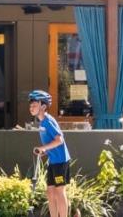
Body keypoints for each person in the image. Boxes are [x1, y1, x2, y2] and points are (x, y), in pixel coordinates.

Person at [29, 89, 70, 217]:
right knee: (50, 192)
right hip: (53, 161)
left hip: (60, 161)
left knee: (59, 191)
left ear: (43, 106)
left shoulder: (48, 121)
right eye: (30, 106)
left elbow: (59, 139)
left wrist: (43, 147)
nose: (31, 108)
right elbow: (53, 143)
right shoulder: (42, 122)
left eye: (34, 105)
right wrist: (44, 151)